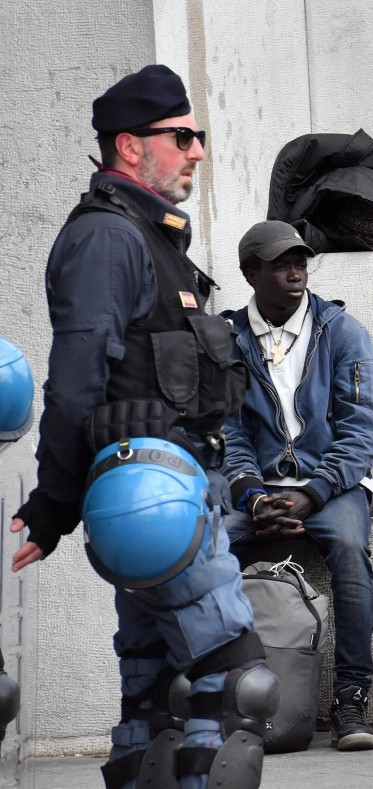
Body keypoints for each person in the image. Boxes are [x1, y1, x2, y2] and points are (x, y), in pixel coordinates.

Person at [7, 65, 277, 789]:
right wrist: (53, 507)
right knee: (236, 684)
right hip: (155, 501)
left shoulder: (151, 239)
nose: (197, 150)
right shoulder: (108, 239)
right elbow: (73, 386)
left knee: (157, 699)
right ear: (130, 146)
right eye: (182, 136)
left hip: (174, 500)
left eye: (199, 134)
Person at [220, 219, 373, 751]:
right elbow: (228, 432)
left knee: (352, 550)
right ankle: (211, 693)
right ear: (250, 273)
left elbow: (361, 430)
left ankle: (351, 700)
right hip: (258, 490)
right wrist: (253, 493)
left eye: (300, 262)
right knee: (208, 547)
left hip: (332, 489)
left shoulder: (342, 331)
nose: (295, 272)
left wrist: (312, 491)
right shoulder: (227, 338)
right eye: (280, 263)